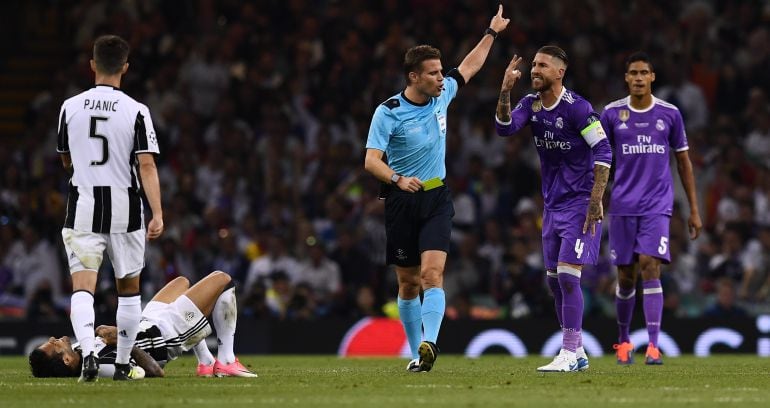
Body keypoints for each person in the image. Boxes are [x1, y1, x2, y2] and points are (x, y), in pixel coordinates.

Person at [363, 5, 510, 373]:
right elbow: (371, 161)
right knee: (409, 283)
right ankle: (417, 354)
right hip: (401, 199)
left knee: (432, 275)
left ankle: (430, 341)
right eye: (432, 74)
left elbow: (470, 66)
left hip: (436, 198)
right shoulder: (388, 112)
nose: (441, 79)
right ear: (414, 77)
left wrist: (491, 33)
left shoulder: (442, 95)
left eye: (441, 71)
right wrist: (396, 178)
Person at [495, 46, 612, 372]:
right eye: (533, 64)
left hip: (580, 204)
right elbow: (504, 128)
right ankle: (578, 351)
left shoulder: (578, 109)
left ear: (560, 72)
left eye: (542, 65)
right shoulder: (530, 105)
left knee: (567, 277)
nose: (534, 69)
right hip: (552, 206)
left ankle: (567, 353)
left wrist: (595, 199)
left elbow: (603, 149)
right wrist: (505, 90)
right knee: (553, 282)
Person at [56, 34, 164, 381]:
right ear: (126, 68)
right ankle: (120, 363)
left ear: (92, 65)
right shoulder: (137, 110)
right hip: (125, 206)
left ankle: (87, 352)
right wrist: (158, 213)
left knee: (83, 287)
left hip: (84, 203)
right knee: (128, 290)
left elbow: (66, 159)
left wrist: (85, 170)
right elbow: (146, 165)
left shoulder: (69, 107)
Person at [599, 52, 702, 366]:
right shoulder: (612, 114)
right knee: (626, 277)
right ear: (626, 78)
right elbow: (599, 159)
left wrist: (694, 210)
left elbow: (683, 162)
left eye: (645, 72)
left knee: (650, 264)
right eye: (634, 72)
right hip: (622, 207)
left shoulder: (669, 114)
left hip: (657, 206)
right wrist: (594, 200)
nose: (639, 78)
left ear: (653, 77)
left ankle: (654, 346)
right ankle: (624, 341)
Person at [29, 271, 257, 379]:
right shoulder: (103, 368)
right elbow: (154, 372)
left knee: (182, 281)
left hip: (148, 321)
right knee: (223, 280)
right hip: (167, 333)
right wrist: (122, 338)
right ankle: (226, 360)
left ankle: (206, 362)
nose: (52, 340)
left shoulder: (83, 349)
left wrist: (112, 333)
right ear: (67, 360)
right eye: (53, 346)